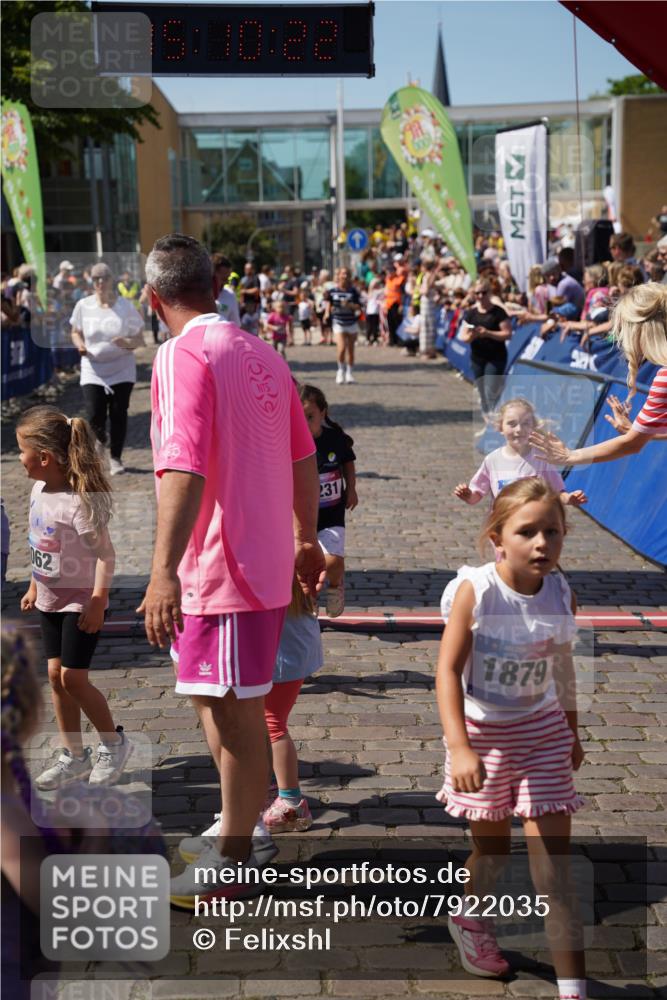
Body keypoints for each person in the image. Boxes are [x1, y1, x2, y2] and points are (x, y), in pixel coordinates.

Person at [138, 234, 324, 908]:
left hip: (219, 569)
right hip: (255, 566)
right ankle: (234, 826)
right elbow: (304, 457)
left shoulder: (180, 353)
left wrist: (161, 571)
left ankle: (236, 858)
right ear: (215, 288)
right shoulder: (263, 352)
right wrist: (306, 537)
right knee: (218, 705)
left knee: (236, 717)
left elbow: (182, 466)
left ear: (153, 299)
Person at [436, 478, 586, 996]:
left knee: (555, 874)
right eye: (528, 532)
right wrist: (460, 747)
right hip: (484, 738)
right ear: (497, 538)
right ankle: (470, 916)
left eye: (553, 532)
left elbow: (562, 666)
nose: (542, 543)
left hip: (542, 735)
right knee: (493, 852)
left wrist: (571, 732)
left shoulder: (561, 593)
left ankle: (573, 988)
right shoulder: (477, 592)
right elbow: (446, 671)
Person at [16, 406, 132, 789]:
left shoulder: (78, 503)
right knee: (55, 676)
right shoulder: (38, 491)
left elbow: (106, 556)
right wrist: (34, 585)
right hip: (49, 599)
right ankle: (74, 755)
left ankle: (113, 744)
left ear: (44, 457)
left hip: (81, 601)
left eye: (21, 450)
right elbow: (40, 543)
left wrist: (98, 600)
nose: (18, 457)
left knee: (73, 678)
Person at [532, 283, 667, 464]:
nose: (623, 338)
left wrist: (569, 456)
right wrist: (639, 430)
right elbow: (635, 440)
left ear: (640, 330)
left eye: (624, 329)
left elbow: (632, 444)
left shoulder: (664, 378)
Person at [69, 262, 145, 476]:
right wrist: (80, 345)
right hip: (93, 370)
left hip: (122, 369)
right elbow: (75, 332)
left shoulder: (125, 307)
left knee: (119, 414)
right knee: (95, 414)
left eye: (104, 278)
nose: (100, 282)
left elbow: (139, 339)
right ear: (91, 282)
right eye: (96, 279)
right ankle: (100, 444)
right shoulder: (83, 305)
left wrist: (126, 342)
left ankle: (116, 458)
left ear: (112, 280)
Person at [262, 575, 324, 833]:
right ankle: (272, 787)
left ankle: (291, 801)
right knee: (265, 724)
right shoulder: (293, 572)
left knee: (272, 725)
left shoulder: (271, 578)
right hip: (290, 649)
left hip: (280, 655)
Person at [454, 398, 587, 510]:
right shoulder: (492, 460)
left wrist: (569, 498)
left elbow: (558, 492)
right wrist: (467, 495)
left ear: (533, 426)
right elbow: (476, 495)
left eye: (525, 423)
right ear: (500, 427)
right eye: (512, 424)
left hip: (535, 525)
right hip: (504, 527)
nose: (519, 429)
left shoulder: (541, 458)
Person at [299, 384, 357, 618]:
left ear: (323, 413)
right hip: (302, 515)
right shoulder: (291, 442)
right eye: (299, 418)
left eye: (310, 417)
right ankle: (309, 597)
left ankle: (335, 584)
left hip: (331, 515)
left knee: (332, 561)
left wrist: (351, 489)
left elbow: (348, 462)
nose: (305, 423)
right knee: (302, 560)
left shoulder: (335, 439)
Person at [461, 279, 513, 419]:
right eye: (477, 293)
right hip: (477, 357)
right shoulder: (471, 314)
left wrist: (488, 333)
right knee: (482, 391)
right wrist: (472, 335)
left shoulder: (498, 312)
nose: (480, 296)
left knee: (491, 390)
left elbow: (508, 334)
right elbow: (463, 336)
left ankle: (493, 419)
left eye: (483, 293)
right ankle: (487, 416)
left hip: (496, 357)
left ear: (489, 293)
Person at [325, 266, 362, 384]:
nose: (344, 276)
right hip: (338, 322)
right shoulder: (333, 290)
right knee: (341, 348)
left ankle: (349, 373)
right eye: (342, 273)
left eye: (347, 274)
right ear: (339, 275)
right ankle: (340, 371)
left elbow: (359, 307)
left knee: (351, 350)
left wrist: (350, 305)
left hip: (351, 322)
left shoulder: (353, 291)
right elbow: (329, 303)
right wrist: (327, 313)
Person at [211, 252, 241, 325]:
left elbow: (236, 325)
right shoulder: (198, 294)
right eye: (223, 279)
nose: (225, 283)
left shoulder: (230, 295)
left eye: (227, 279)